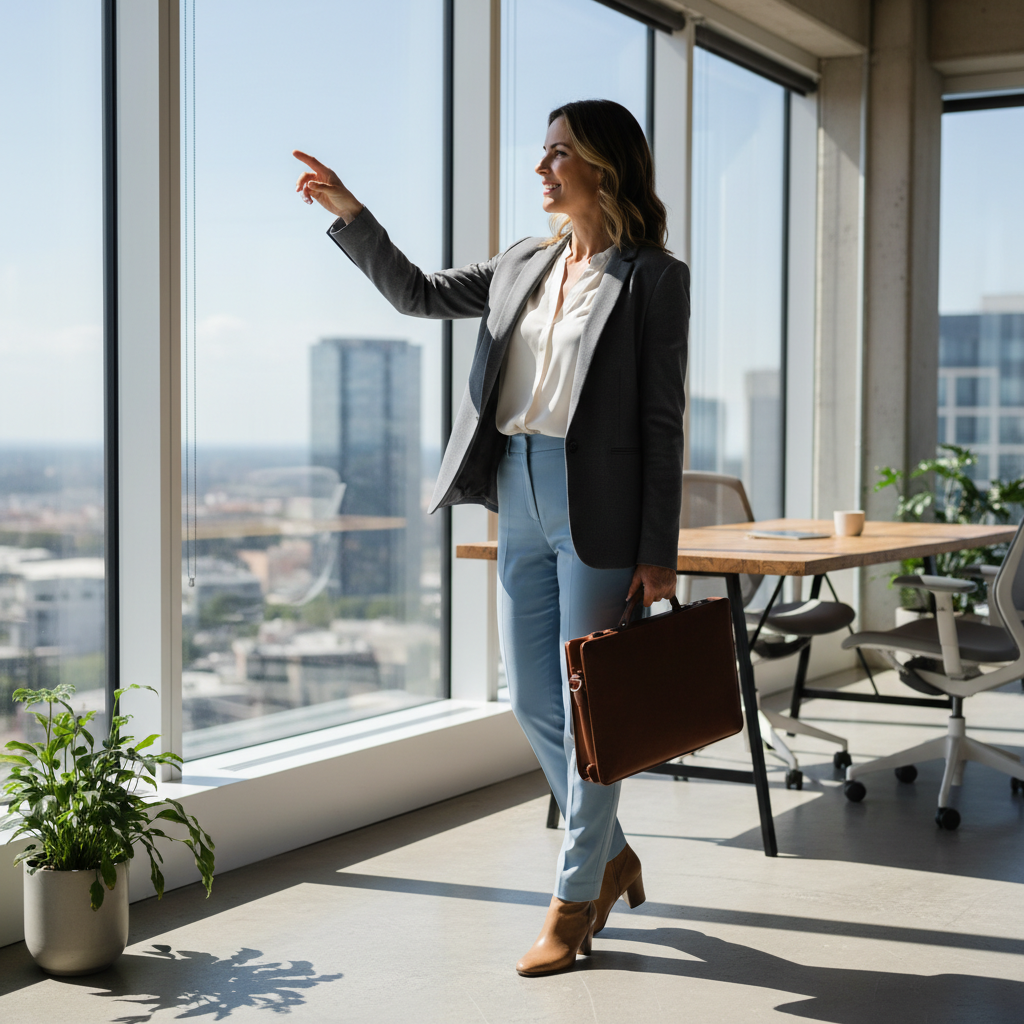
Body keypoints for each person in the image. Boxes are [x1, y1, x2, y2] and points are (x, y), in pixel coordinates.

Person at [294, 98, 688, 976]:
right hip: (518, 488)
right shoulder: (524, 262)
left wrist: (658, 549)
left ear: (604, 166)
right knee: (533, 702)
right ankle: (613, 850)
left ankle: (573, 897)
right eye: (543, 154)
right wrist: (352, 216)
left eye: (558, 155)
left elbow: (662, 422)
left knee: (592, 709)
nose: (541, 169)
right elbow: (418, 294)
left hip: (604, 512)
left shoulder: (655, 279)